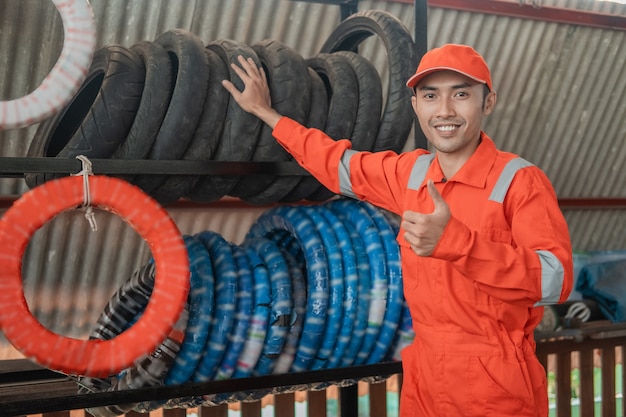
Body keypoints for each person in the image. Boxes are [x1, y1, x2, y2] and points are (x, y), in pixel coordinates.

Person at [222, 44, 573, 417]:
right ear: (415, 106)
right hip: (424, 377)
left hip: (495, 382)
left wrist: (458, 244)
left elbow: (556, 279)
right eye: (430, 96)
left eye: (461, 94)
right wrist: (266, 113)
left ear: (488, 103)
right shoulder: (412, 174)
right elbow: (338, 165)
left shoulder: (519, 181)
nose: (445, 111)